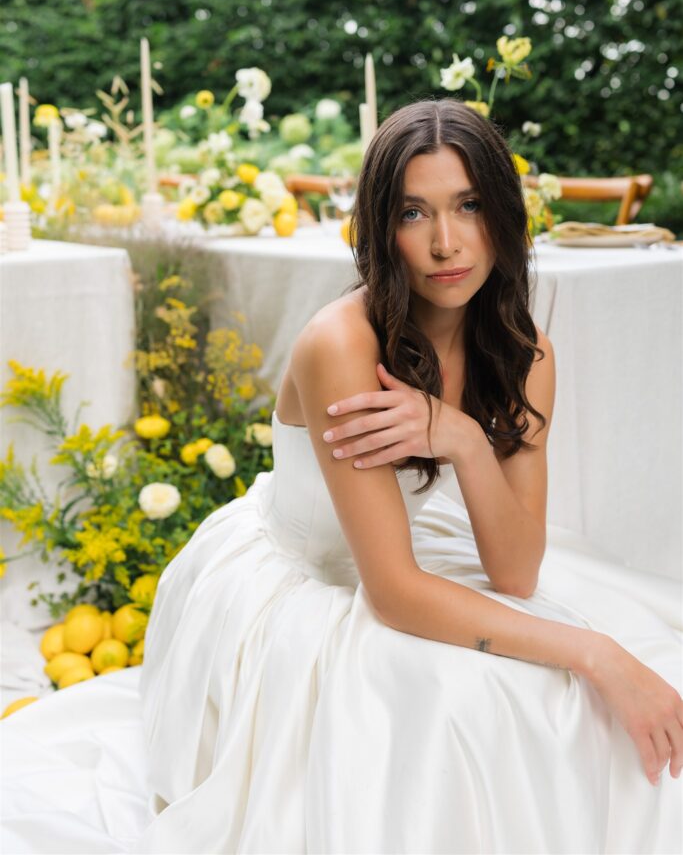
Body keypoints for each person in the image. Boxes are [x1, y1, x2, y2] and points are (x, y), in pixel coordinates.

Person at [1, 99, 681, 855]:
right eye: (413, 213)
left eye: (469, 206)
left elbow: (515, 572)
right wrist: (592, 652)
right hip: (315, 580)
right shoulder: (341, 345)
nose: (446, 243)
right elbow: (390, 594)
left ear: (504, 216)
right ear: (381, 230)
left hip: (416, 547)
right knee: (481, 702)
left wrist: (460, 438)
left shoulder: (528, 352)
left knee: (618, 682)